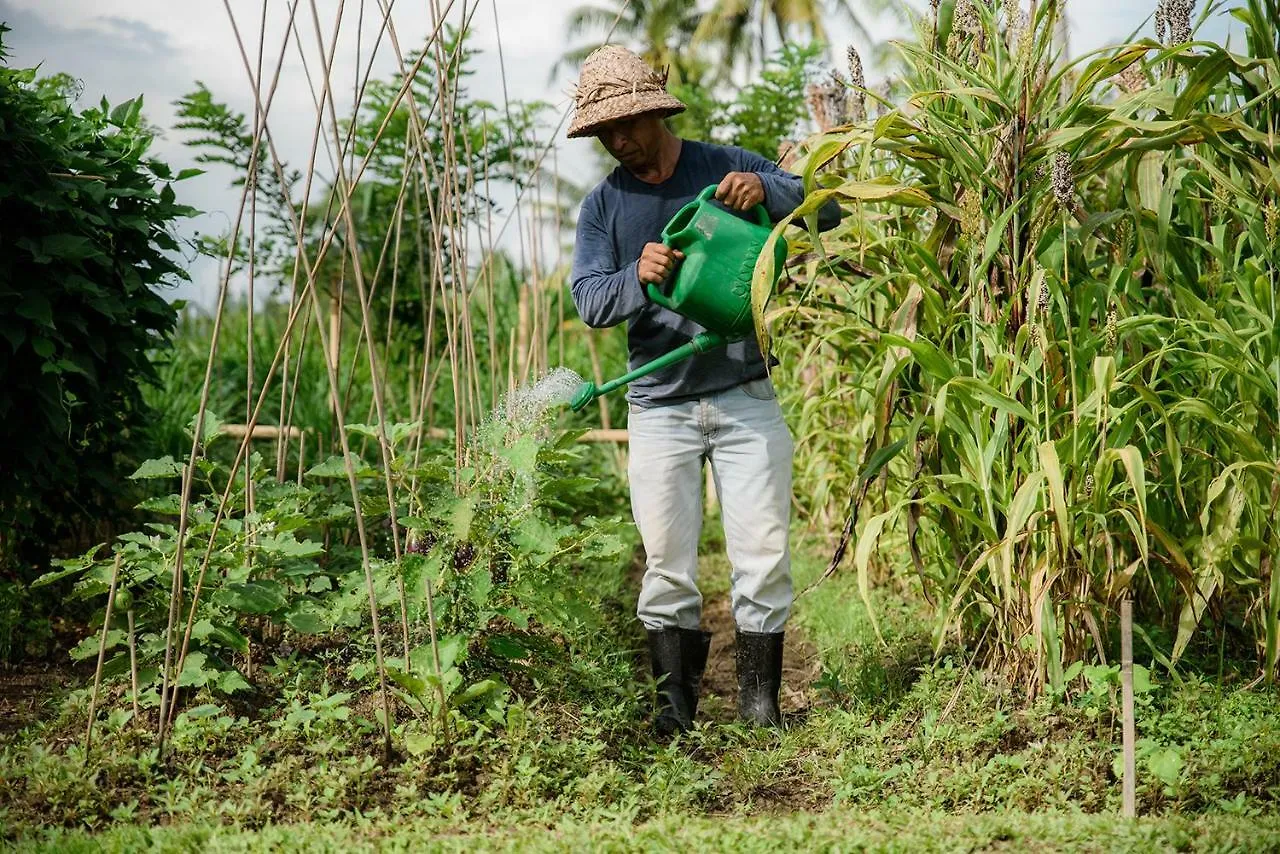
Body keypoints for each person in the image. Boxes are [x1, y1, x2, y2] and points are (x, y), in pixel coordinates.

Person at [566, 45, 842, 734]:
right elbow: (591, 300)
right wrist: (639, 275)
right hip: (659, 405)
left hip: (746, 391)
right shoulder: (603, 206)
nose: (620, 141)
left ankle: (759, 707)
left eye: (629, 124)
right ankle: (674, 711)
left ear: (656, 111)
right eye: (606, 132)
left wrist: (769, 190)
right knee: (666, 563)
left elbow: (829, 209)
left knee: (763, 554)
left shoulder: (724, 164)